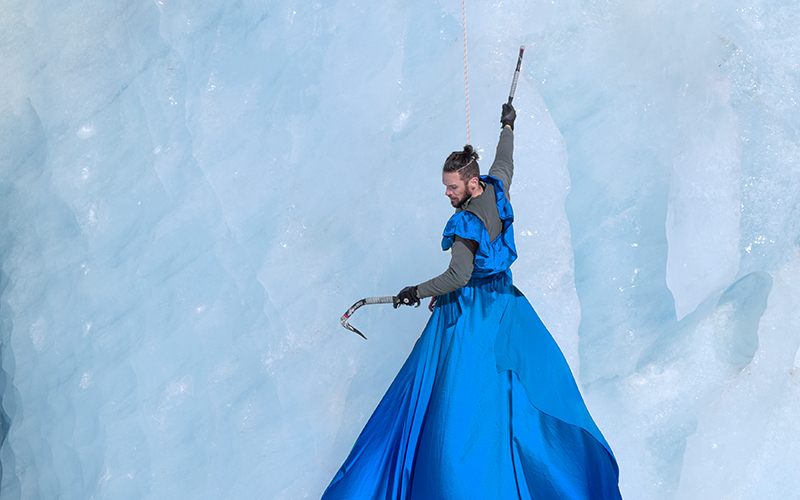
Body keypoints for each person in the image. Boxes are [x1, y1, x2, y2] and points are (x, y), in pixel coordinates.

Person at [322, 104, 622, 499]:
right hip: (505, 303)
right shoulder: (497, 187)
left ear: (469, 182)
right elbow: (505, 159)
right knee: (512, 394)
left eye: (451, 187)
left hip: (472, 312)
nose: (447, 194)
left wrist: (412, 292)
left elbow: (458, 276)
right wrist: (508, 124)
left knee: (447, 398)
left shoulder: (465, 223)